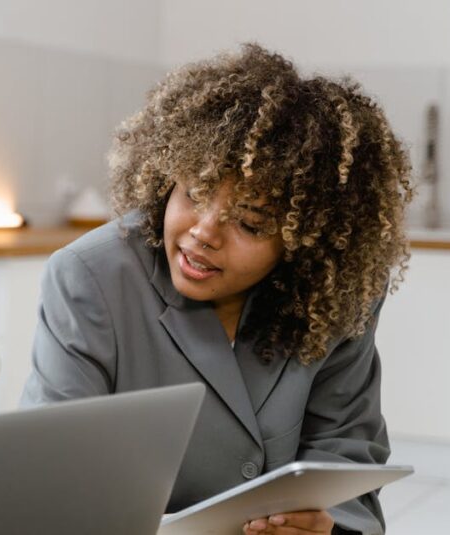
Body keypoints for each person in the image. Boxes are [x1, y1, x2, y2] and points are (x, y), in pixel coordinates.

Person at [21, 44, 412, 535]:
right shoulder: (90, 278)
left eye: (249, 223)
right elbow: (52, 474)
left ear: (303, 241)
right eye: (196, 194)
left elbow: (348, 459)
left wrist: (324, 527)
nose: (203, 232)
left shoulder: (334, 297)